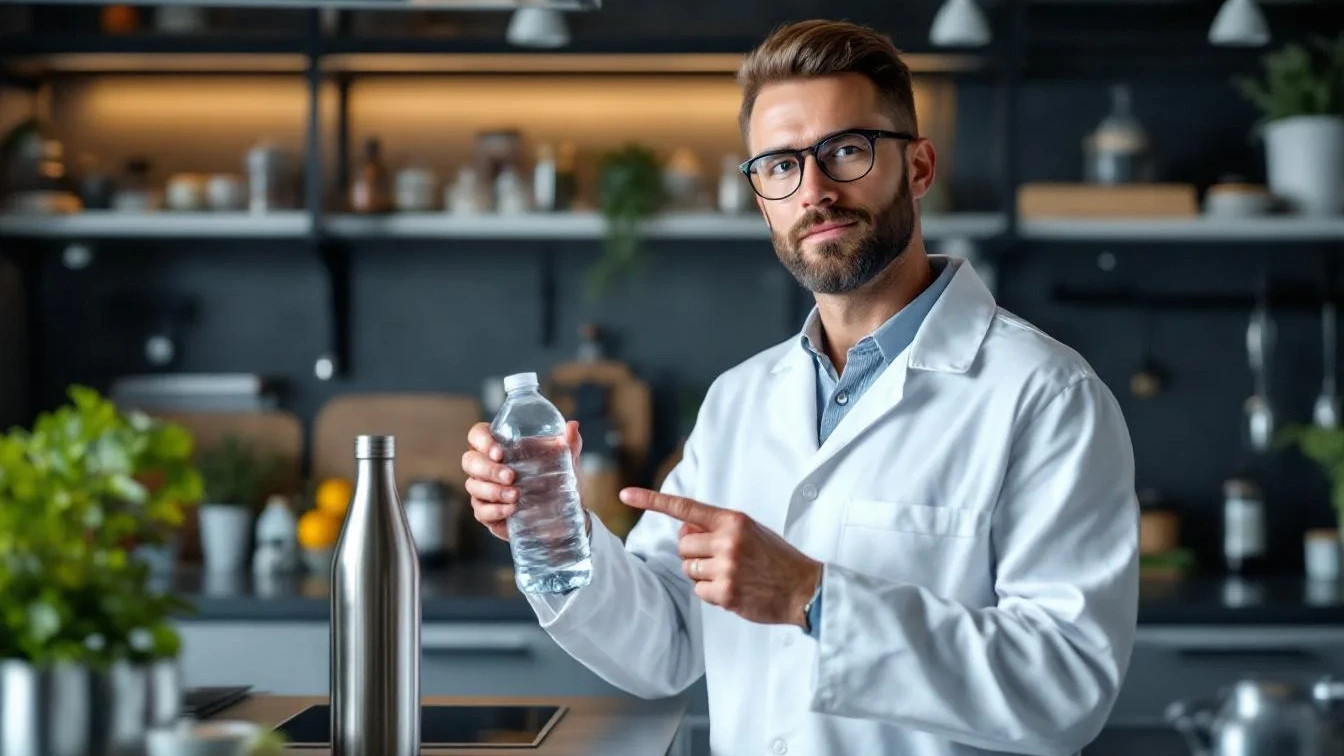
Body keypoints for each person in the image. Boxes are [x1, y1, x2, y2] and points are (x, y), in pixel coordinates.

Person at [461, 18, 1138, 756]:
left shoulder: (1044, 395)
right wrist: (546, 529)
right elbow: (665, 648)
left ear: (918, 167)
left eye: (845, 151)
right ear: (761, 197)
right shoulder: (740, 401)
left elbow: (1066, 687)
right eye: (780, 166)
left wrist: (811, 598)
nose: (813, 190)